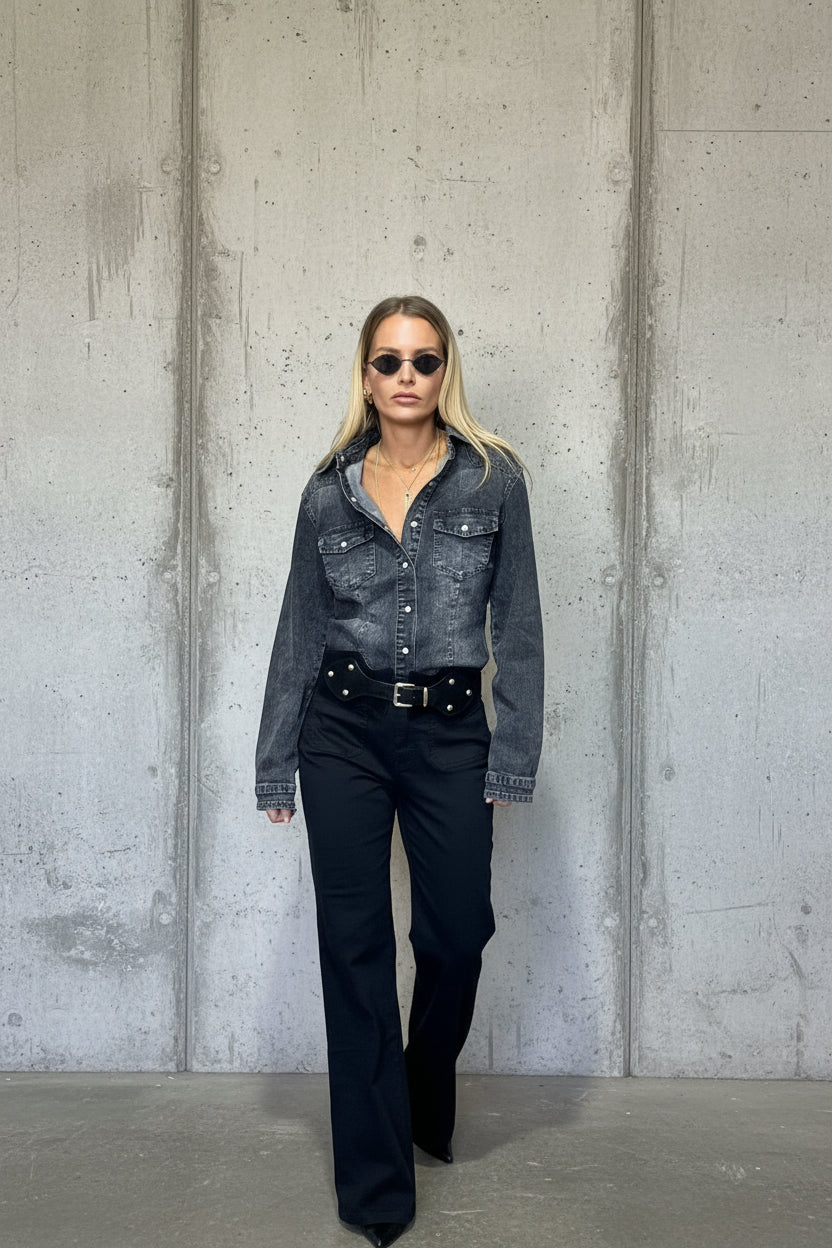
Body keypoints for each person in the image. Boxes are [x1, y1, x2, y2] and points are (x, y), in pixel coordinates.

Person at [255, 295, 544, 1247]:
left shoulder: (493, 481)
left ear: (444, 370)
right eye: (389, 361)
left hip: (451, 733)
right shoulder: (327, 490)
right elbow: (299, 629)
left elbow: (520, 627)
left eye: (424, 360)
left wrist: (513, 755)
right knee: (355, 951)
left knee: (455, 935)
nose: (407, 376)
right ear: (367, 375)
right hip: (341, 732)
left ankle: (421, 1090)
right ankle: (378, 1188)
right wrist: (276, 763)